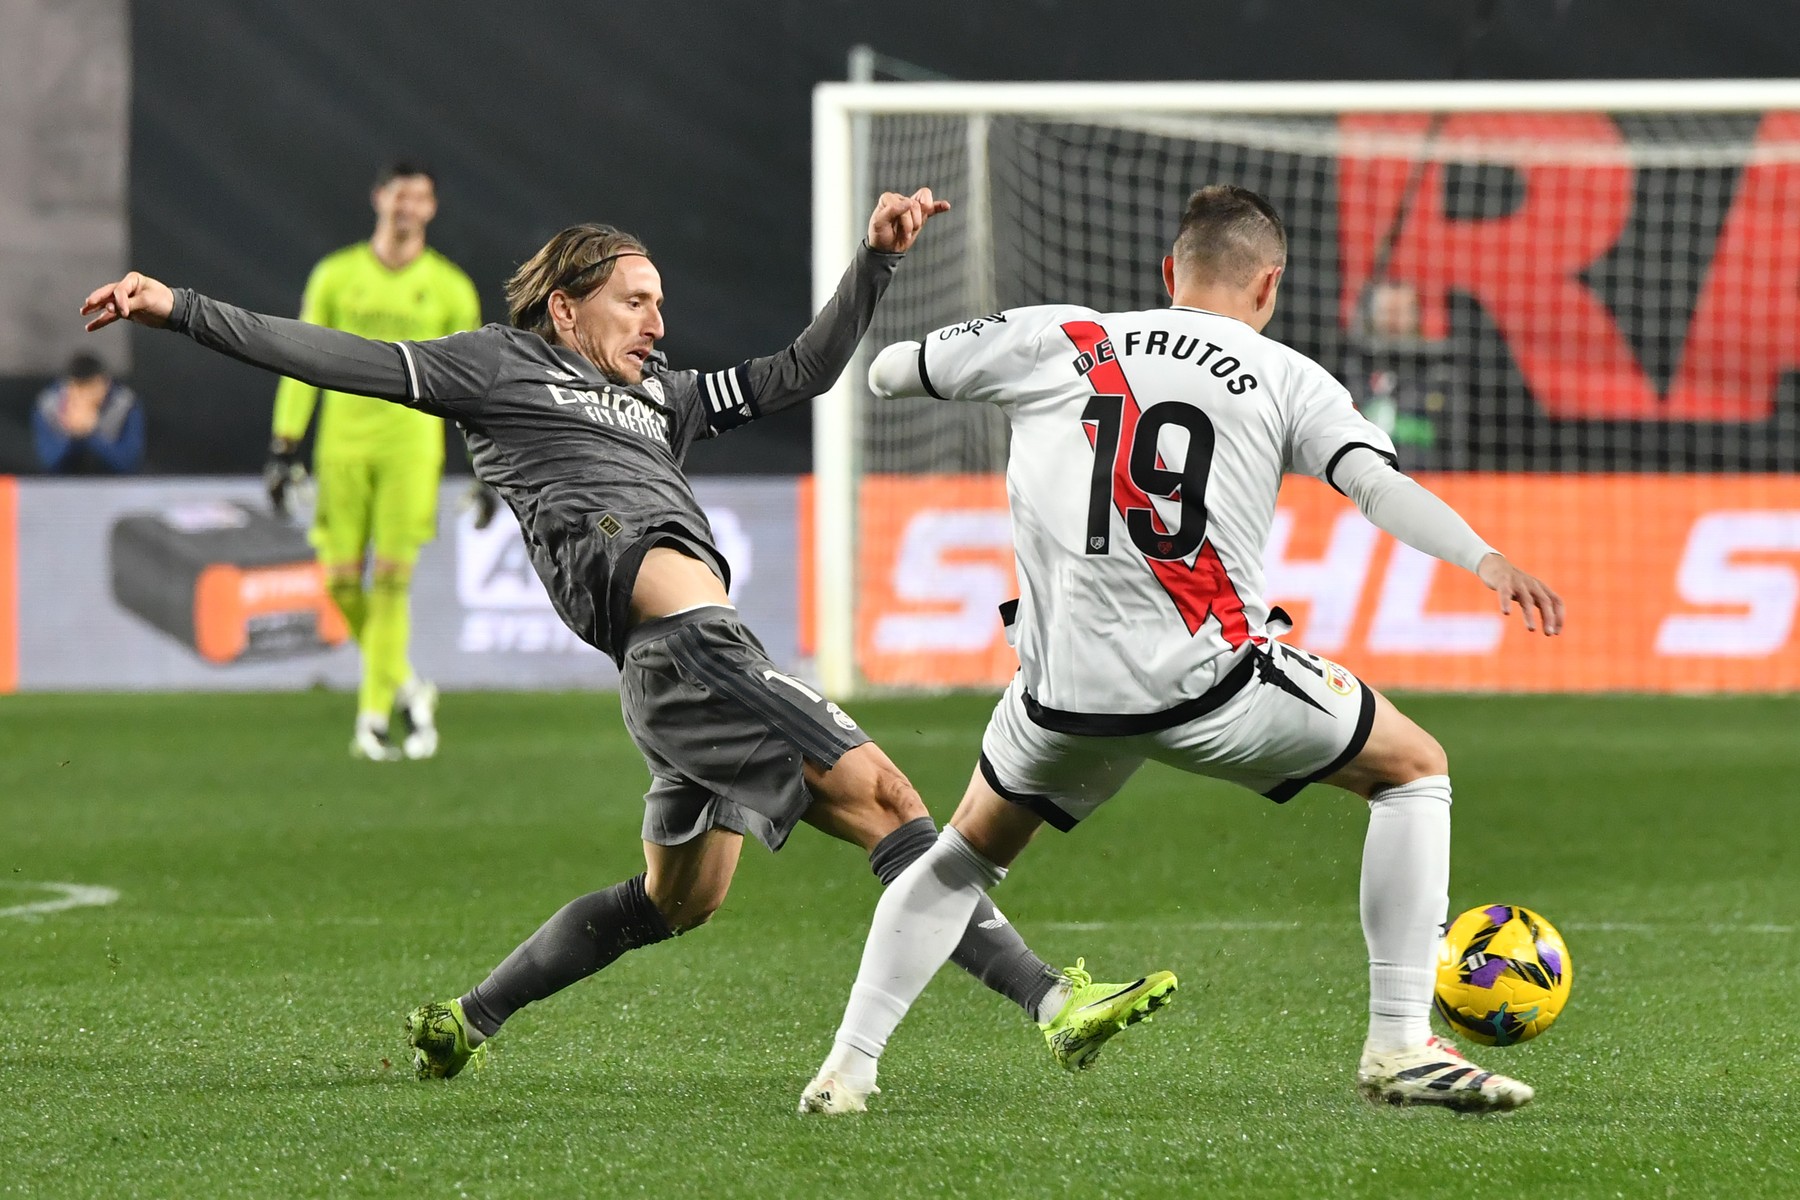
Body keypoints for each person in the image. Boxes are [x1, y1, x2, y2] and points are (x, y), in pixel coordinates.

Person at [81, 187, 1173, 1085]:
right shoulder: (497, 371)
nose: (658, 322)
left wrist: (875, 263)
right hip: (691, 648)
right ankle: (1049, 1001)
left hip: (681, 669)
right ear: (566, 309)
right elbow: (335, 355)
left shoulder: (665, 396)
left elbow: (800, 371)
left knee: (676, 900)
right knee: (890, 799)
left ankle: (467, 1018)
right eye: (636, 302)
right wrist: (179, 306)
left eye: (662, 303)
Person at [799, 185, 1564, 1116]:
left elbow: (886, 375)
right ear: (1268, 285)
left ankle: (847, 1070)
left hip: (1058, 699)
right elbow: (1374, 486)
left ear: (1168, 273)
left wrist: (927, 302)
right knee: (1413, 770)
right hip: (1213, 689)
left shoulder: (1061, 335)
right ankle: (1400, 1045)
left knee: (962, 857)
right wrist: (1485, 559)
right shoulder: (1287, 375)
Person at [268, 160, 482, 762]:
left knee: (390, 581)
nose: (407, 207)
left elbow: (469, 388)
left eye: (419, 198)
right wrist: (286, 445)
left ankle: (372, 719)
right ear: (379, 199)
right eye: (398, 195)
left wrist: (484, 465)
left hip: (410, 450)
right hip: (343, 447)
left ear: (432, 208)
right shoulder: (337, 276)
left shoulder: (450, 289)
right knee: (339, 583)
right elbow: (300, 361)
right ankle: (409, 686)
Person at [33, 352, 145, 474]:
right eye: (78, 388)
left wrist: (93, 433)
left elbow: (128, 463)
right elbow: (47, 463)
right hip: (62, 486)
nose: (84, 396)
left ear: (105, 384)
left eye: (90, 388)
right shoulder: (49, 405)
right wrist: (73, 436)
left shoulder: (125, 405)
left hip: (114, 485)